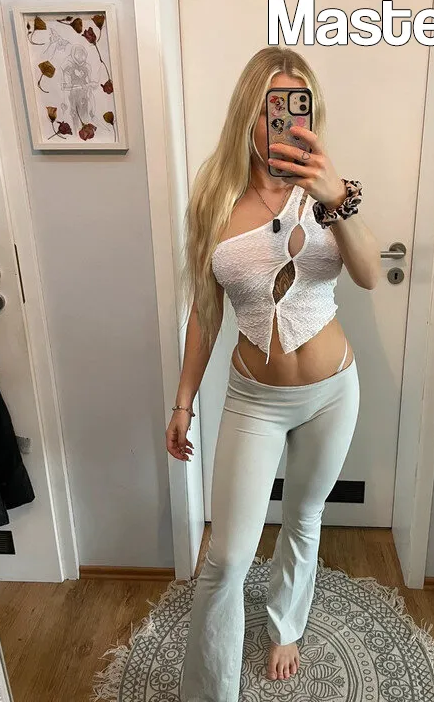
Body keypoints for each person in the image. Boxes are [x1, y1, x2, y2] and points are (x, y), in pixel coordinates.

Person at [167, 46, 381, 702]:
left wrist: (337, 200)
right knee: (228, 556)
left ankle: (285, 625)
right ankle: (210, 691)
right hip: (253, 399)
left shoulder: (330, 191)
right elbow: (205, 311)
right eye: (271, 110)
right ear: (248, 115)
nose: (284, 123)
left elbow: (370, 275)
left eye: (297, 108)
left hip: (332, 391)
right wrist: (183, 402)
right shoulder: (213, 199)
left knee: (304, 516)